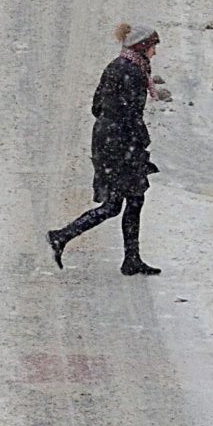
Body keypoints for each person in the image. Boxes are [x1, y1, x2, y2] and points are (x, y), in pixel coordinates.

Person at [47, 23, 171, 276]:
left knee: (129, 200)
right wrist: (136, 142)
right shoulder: (132, 72)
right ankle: (61, 236)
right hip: (119, 145)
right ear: (142, 46)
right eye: (153, 47)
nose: (155, 53)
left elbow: (96, 106)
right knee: (120, 203)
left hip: (109, 141)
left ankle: (130, 259)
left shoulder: (118, 67)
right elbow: (131, 114)